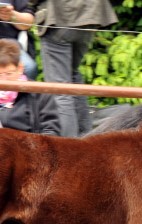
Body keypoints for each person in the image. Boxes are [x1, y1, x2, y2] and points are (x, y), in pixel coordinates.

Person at [28, 0, 118, 137]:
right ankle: (86, 137)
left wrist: (29, 6)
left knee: (59, 88)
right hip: (89, 15)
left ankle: (67, 145)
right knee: (72, 75)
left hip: (60, 16)